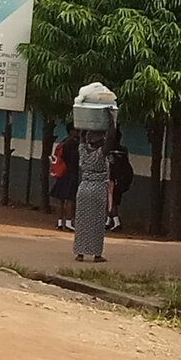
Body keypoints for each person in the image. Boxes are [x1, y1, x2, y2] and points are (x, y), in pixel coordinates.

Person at [73, 111, 118, 263]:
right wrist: (111, 119)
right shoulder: (101, 153)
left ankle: (80, 253)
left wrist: (85, 122)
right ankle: (96, 255)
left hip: (83, 188)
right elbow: (111, 138)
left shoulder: (82, 151)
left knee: (82, 222)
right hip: (98, 189)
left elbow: (81, 136)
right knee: (97, 223)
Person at [50, 124, 80, 231]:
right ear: (72, 131)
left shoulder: (63, 141)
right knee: (71, 199)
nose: (79, 132)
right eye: (77, 130)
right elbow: (75, 159)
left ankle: (59, 222)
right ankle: (68, 222)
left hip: (62, 174)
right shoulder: (73, 144)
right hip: (71, 174)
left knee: (60, 199)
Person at [107, 129, 133, 232]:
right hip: (121, 179)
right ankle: (109, 220)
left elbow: (110, 165)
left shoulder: (111, 151)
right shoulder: (123, 150)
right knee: (113, 200)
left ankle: (116, 222)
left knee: (111, 201)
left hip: (113, 179)